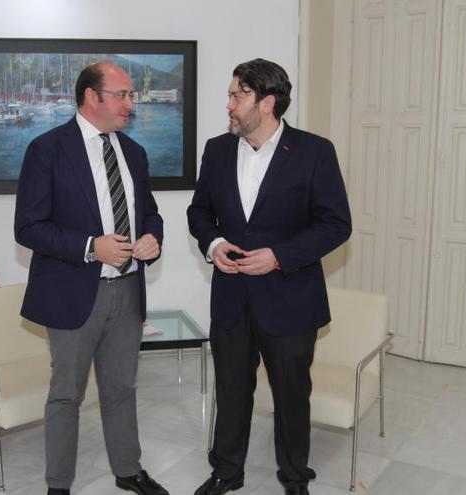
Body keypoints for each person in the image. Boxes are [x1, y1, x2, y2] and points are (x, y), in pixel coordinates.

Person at [187, 58, 352, 495]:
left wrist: (279, 256)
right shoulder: (216, 150)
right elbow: (199, 211)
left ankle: (294, 476)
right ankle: (227, 471)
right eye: (230, 94)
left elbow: (336, 224)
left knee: (292, 396)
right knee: (232, 389)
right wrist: (214, 245)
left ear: (267, 102)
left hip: (290, 299)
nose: (229, 104)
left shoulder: (315, 151)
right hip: (231, 298)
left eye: (237, 95)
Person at [14, 62, 168, 495]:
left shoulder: (133, 152)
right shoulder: (47, 149)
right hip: (71, 292)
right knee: (66, 394)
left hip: (127, 290)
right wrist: (89, 246)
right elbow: (27, 227)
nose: (130, 104)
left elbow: (149, 212)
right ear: (91, 97)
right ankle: (58, 484)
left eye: (130, 95)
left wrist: (153, 236)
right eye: (121, 95)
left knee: (121, 387)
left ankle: (128, 470)